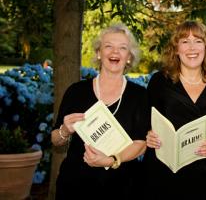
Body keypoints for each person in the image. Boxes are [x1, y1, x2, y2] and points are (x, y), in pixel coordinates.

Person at [51, 23, 149, 200]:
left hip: (123, 187)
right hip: (75, 186)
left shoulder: (140, 96)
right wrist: (64, 130)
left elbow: (141, 144)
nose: (115, 52)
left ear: (129, 57)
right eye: (108, 46)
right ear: (98, 53)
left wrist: (111, 160)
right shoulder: (76, 91)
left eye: (122, 48)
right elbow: (55, 140)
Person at [144, 20, 206, 200]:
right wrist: (148, 134)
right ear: (176, 49)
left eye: (198, 41)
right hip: (163, 172)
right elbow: (144, 121)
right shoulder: (159, 81)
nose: (192, 47)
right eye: (185, 41)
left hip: (204, 175)